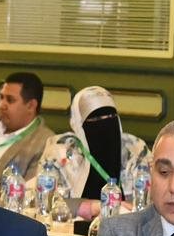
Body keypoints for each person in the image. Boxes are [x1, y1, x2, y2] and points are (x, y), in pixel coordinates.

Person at [33, 85, 150, 218]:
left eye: (110, 116)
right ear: (79, 125)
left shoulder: (135, 149)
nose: (105, 125)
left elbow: (150, 201)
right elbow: (45, 202)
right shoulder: (60, 151)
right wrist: (92, 207)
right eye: (95, 119)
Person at [0, 71, 55, 200]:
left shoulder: (44, 142)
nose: (2, 105)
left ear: (31, 106)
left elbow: (28, 195)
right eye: (1, 97)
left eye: (10, 100)